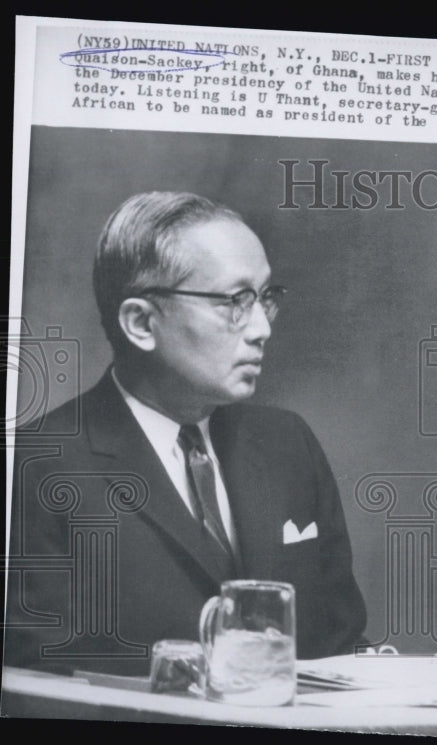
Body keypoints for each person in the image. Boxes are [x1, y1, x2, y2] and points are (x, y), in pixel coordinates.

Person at [5, 191, 367, 675]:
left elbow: (340, 646)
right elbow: (30, 687)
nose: (262, 328)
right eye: (235, 301)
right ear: (140, 323)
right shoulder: (33, 466)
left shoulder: (288, 444)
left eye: (265, 298)